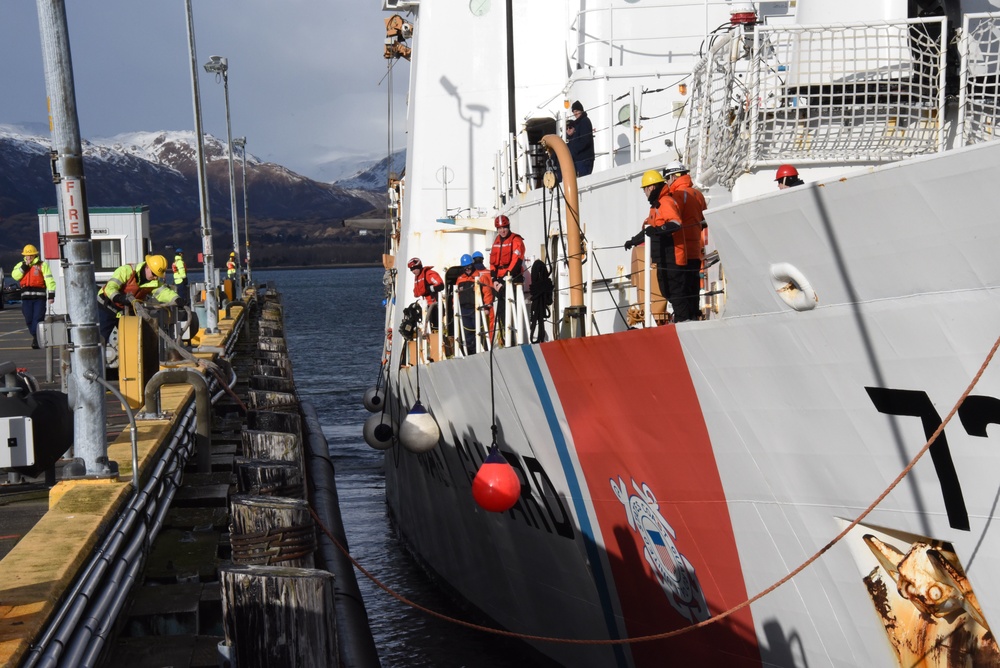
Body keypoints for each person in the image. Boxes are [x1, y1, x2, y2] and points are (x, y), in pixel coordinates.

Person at [624, 170, 693, 322]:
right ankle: (682, 320)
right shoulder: (656, 206)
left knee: (675, 291)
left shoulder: (665, 202)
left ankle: (684, 321)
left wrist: (657, 230)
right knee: (666, 290)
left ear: (652, 187)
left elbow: (675, 224)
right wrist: (633, 241)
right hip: (663, 255)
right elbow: (650, 229)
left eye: (645, 189)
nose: (644, 192)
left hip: (672, 254)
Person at [97, 255, 179, 344]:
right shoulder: (127, 270)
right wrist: (118, 297)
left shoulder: (153, 282)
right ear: (147, 267)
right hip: (106, 307)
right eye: (154, 274)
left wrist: (176, 299)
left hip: (125, 312)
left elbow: (163, 292)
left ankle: (131, 358)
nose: (155, 277)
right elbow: (111, 287)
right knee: (99, 340)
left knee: (134, 342)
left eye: (157, 275)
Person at [663, 161, 707, 321]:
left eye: (667, 179)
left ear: (673, 176)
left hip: (680, 250)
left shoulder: (676, 196)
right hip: (695, 249)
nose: (667, 183)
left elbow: (671, 220)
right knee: (693, 286)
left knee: (678, 288)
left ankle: (683, 318)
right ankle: (694, 315)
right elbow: (704, 221)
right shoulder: (698, 195)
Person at [11, 244, 55, 349]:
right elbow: (15, 276)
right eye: (27, 255)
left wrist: (51, 295)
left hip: (39, 297)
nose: (29, 257)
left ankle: (36, 340)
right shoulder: (20, 265)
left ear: (35, 255)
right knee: (29, 320)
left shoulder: (42, 265)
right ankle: (36, 336)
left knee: (38, 318)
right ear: (24, 256)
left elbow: (49, 280)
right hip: (26, 298)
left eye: (31, 255)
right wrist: (24, 267)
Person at [489, 215, 526, 340]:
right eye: (499, 228)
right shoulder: (496, 242)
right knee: (501, 312)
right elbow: (492, 263)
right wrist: (494, 280)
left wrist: (506, 278)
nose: (502, 230)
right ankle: (505, 338)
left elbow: (516, 261)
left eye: (504, 227)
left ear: (508, 226)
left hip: (512, 279)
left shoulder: (516, 240)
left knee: (512, 310)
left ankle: (516, 338)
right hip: (499, 281)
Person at [455, 254, 493, 354]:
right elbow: (456, 296)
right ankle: (471, 353)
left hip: (477, 309)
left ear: (472, 265)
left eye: (469, 266)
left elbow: (487, 292)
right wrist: (454, 307)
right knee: (467, 334)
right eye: (465, 267)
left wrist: (487, 307)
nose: (467, 269)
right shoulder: (460, 279)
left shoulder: (481, 277)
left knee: (480, 332)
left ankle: (483, 351)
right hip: (464, 311)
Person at [407, 257, 444, 329]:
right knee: (427, 326)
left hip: (435, 305)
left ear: (419, 266)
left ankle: (436, 336)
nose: (413, 271)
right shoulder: (418, 277)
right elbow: (416, 293)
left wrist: (430, 288)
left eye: (414, 268)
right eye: (411, 269)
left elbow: (441, 285)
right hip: (425, 305)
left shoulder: (429, 274)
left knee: (435, 326)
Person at [566, 100, 595, 177]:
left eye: (576, 111)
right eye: (573, 111)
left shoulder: (584, 121)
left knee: (583, 179)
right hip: (579, 159)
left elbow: (585, 140)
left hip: (584, 158)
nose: (575, 113)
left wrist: (574, 150)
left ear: (581, 110)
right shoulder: (578, 123)